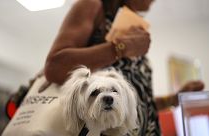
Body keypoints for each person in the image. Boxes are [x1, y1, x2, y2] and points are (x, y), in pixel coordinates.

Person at [43, 0, 204, 135]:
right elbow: (54, 66)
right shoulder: (92, 5)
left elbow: (136, 102)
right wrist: (119, 48)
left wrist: (171, 99)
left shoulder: (126, 22)